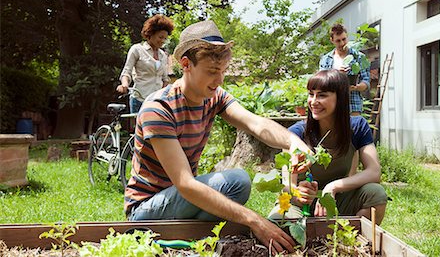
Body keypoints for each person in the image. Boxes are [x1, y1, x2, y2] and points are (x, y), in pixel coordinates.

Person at [124, 20, 313, 254]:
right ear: (186, 65)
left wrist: (294, 143)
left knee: (239, 186)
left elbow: (255, 123)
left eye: (223, 71)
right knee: (236, 181)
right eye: (213, 72)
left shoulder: (213, 96)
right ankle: (168, 236)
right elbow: (185, 184)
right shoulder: (159, 108)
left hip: (180, 200)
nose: (220, 80)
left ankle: (188, 240)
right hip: (146, 210)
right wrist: (254, 221)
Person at [268, 69, 387, 225]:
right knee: (276, 222)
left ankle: (353, 241)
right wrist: (298, 192)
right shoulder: (296, 133)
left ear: (341, 98)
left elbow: (374, 172)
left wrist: (333, 187)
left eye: (322, 95)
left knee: (375, 194)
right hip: (301, 203)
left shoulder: (357, 127)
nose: (314, 101)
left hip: (338, 199)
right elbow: (287, 185)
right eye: (311, 94)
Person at [117, 14, 174, 113]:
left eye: (165, 38)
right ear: (150, 34)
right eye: (160, 37)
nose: (162, 41)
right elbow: (127, 72)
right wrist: (124, 85)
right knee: (139, 128)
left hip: (156, 102)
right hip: (139, 99)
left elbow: (165, 79)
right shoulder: (137, 50)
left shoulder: (163, 56)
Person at [319, 23, 370, 116]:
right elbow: (322, 83)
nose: (342, 43)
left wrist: (357, 87)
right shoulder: (326, 60)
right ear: (332, 40)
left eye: (344, 39)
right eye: (338, 41)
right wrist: (336, 74)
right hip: (331, 106)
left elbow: (366, 82)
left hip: (353, 105)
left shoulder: (359, 57)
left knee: (353, 129)